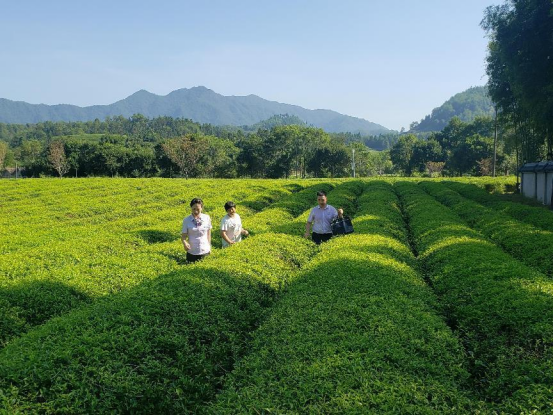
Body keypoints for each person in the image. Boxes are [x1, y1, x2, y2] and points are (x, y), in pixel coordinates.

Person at [181, 198, 212, 263]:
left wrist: (209, 247)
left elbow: (208, 234)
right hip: (192, 252)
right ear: (191, 208)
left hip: (205, 250)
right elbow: (183, 236)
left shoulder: (207, 218)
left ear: (202, 208)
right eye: (193, 209)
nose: (196, 212)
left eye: (198, 209)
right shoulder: (186, 220)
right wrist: (185, 243)